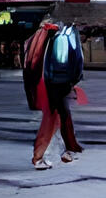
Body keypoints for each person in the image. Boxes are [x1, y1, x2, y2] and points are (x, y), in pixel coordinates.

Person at [24, 23, 84, 170]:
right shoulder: (65, 38)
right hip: (59, 84)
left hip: (49, 83)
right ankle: (39, 157)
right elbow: (75, 61)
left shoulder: (42, 40)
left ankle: (67, 150)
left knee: (62, 117)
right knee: (52, 120)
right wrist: (73, 81)